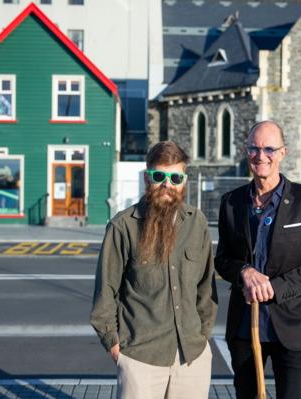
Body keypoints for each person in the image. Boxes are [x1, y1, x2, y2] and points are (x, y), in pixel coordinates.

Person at [215, 120, 301, 399]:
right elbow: (222, 259)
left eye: (269, 148)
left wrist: (276, 287)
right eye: (254, 148)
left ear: (283, 153)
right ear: (246, 152)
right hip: (245, 327)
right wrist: (244, 271)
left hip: (293, 326)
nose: (261, 156)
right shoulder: (231, 202)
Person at [90, 140, 217, 399]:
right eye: (159, 175)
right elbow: (105, 294)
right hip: (140, 358)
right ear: (147, 178)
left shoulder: (197, 223)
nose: (166, 184)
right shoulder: (123, 226)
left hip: (192, 357)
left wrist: (203, 335)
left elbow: (206, 288)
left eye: (175, 177)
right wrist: (115, 346)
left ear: (184, 181)